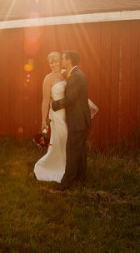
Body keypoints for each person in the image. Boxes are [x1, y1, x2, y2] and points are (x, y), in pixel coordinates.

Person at [51, 50, 91, 191]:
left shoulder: (75, 76)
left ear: (69, 60)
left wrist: (54, 104)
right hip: (81, 119)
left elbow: (70, 99)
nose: (61, 59)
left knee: (72, 150)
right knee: (80, 151)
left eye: (63, 58)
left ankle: (65, 183)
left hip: (77, 120)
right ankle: (81, 177)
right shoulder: (75, 74)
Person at [34, 51, 68, 183]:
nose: (54, 64)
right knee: (60, 139)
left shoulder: (66, 74)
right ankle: (54, 166)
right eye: (51, 62)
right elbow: (45, 100)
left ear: (61, 61)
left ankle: (68, 166)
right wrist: (44, 121)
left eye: (56, 61)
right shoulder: (48, 79)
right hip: (56, 114)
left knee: (68, 139)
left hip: (68, 112)